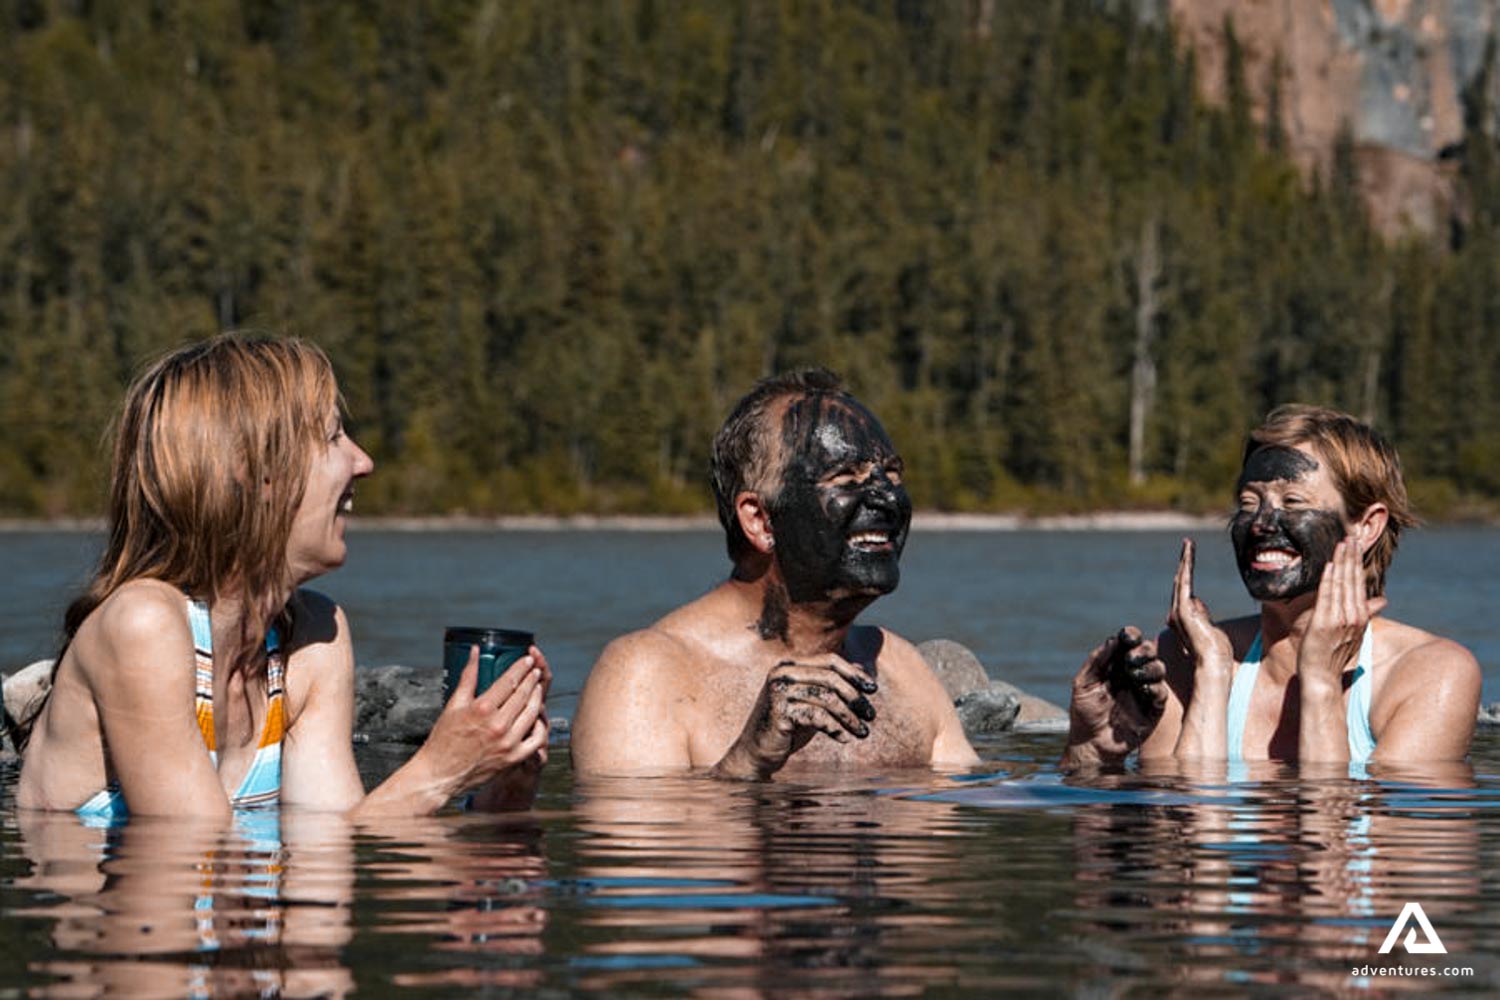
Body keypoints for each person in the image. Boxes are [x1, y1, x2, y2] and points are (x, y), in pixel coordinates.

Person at [16, 334, 550, 820]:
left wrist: (498, 788)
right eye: (334, 437)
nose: (363, 462)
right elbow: (189, 859)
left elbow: (331, 855)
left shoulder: (311, 637)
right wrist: (438, 769)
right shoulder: (142, 625)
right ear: (255, 471)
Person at [570, 369, 978, 777]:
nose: (889, 498)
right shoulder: (647, 676)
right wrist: (747, 760)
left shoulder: (902, 668)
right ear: (760, 520)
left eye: (892, 475)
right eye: (846, 478)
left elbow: (965, 801)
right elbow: (635, 818)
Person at [1061, 405, 1480, 768]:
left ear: (1366, 525)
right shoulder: (1188, 656)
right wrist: (1090, 750)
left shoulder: (1431, 674)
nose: (1261, 523)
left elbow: (1329, 831)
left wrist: (1320, 682)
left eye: (1293, 502)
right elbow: (1183, 829)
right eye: (1248, 503)